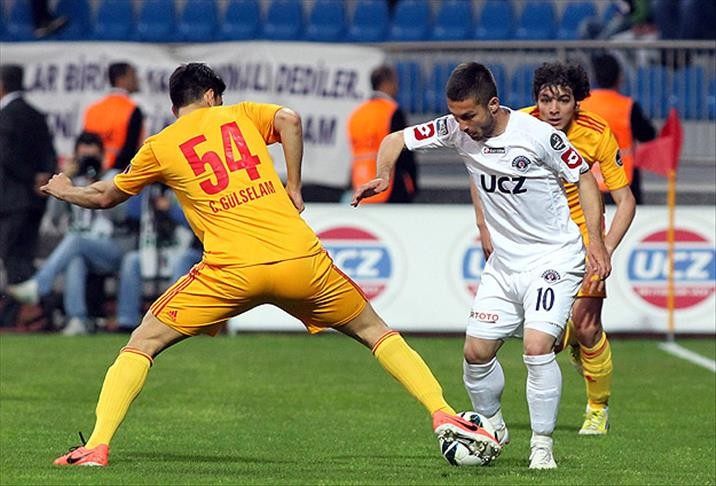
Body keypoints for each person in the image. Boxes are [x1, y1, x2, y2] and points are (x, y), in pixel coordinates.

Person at [45, 63, 499, 467]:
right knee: (376, 332)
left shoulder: (160, 146)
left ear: (175, 106)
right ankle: (443, 412)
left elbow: (106, 195)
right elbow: (290, 120)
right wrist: (294, 187)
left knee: (143, 341)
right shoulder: (240, 115)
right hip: (300, 260)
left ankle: (97, 446)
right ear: (211, 96)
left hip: (231, 272)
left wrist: (67, 191)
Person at [353, 62, 611, 469]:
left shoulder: (539, 136)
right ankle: (493, 429)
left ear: (492, 105)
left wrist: (595, 241)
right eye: (455, 116)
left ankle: (541, 447)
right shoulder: (456, 128)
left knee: (536, 346)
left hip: (554, 257)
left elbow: (584, 179)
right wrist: (384, 175)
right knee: (475, 353)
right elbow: (394, 139)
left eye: (468, 116)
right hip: (505, 265)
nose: (461, 126)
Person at [519, 62, 636, 435]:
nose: (553, 109)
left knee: (587, 325)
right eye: (545, 100)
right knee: (543, 339)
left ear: (577, 102)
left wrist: (605, 248)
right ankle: (567, 338)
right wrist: (483, 226)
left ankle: (597, 409)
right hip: (536, 238)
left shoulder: (596, 132)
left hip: (585, 235)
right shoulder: (518, 124)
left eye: (563, 100)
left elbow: (625, 200)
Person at [7, 132, 138, 335]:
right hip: (82, 248)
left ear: (102, 156)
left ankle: (38, 286)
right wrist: (62, 184)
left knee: (76, 242)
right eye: (84, 158)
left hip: (113, 246)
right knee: (75, 258)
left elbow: (122, 216)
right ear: (76, 158)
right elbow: (54, 218)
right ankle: (78, 319)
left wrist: (100, 186)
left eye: (93, 158)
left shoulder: (113, 177)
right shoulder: (72, 181)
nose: (88, 163)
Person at [0, 64, 56, 325]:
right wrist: (44, 178)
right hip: (36, 200)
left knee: (14, 257)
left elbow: (6, 156)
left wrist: (30, 177)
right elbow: (49, 152)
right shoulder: (36, 114)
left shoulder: (6, 115)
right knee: (23, 256)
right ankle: (26, 309)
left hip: (12, 200)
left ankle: (46, 301)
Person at [581, 52, 657, 204]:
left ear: (594, 77)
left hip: (586, 180)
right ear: (620, 78)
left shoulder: (580, 105)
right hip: (623, 182)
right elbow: (648, 134)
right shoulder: (628, 106)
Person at [348, 64, 418, 203]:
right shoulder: (392, 111)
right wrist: (413, 183)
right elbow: (404, 150)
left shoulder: (357, 114)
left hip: (361, 180)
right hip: (391, 184)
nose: (397, 87)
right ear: (386, 83)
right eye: (395, 82)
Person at [83, 62, 144, 171]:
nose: (137, 80)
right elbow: (131, 148)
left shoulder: (92, 109)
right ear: (121, 79)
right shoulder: (133, 110)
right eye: (133, 75)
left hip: (92, 169)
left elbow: (85, 143)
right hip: (119, 171)